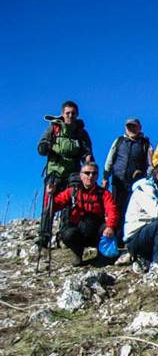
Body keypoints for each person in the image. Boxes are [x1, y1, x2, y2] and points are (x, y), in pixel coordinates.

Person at [37, 100, 94, 247]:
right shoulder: (54, 129)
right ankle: (44, 236)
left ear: (77, 114)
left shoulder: (81, 132)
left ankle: (64, 234)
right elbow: (41, 147)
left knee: (70, 204)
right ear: (62, 113)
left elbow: (87, 152)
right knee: (49, 203)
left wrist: (88, 159)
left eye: (73, 113)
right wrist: (45, 147)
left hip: (73, 172)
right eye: (68, 113)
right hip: (54, 171)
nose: (70, 116)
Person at [48, 162, 118, 266]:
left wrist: (110, 226)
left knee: (107, 228)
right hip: (79, 231)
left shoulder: (104, 193)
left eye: (94, 174)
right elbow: (53, 206)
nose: (91, 176)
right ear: (81, 175)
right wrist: (50, 195)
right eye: (87, 173)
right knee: (67, 234)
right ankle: (78, 254)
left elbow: (113, 210)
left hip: (96, 231)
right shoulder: (72, 192)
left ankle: (102, 254)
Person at [102, 117, 153, 245]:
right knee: (116, 210)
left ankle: (130, 241)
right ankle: (117, 242)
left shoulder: (145, 144)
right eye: (129, 127)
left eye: (134, 126)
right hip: (118, 181)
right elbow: (110, 158)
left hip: (136, 184)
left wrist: (145, 176)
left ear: (139, 127)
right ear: (125, 128)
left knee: (132, 211)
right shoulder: (119, 141)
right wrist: (105, 177)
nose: (131, 129)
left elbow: (151, 164)